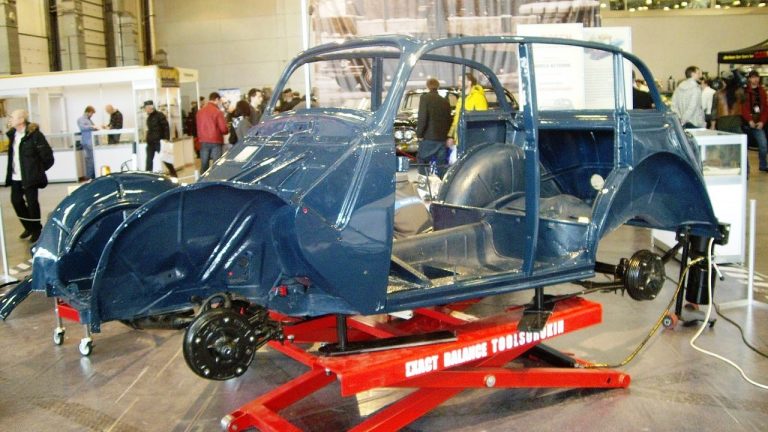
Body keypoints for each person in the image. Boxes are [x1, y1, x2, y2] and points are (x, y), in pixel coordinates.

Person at [5, 109, 54, 243]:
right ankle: (29, 227)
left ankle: (36, 230)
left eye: (13, 117)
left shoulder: (35, 135)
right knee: (16, 201)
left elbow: (48, 156)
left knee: (32, 203)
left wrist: (37, 170)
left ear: (21, 120)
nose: (10, 119)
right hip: (16, 176)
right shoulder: (12, 135)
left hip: (30, 176)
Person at [415, 77, 452, 177]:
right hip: (442, 139)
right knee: (441, 165)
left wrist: (419, 134)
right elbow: (449, 119)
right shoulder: (445, 101)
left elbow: (423, 117)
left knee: (422, 159)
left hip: (429, 137)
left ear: (427, 86)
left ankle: (424, 181)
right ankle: (441, 182)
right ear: (438, 86)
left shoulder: (424, 98)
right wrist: (447, 136)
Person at [447, 73, 488, 143]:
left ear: (469, 82)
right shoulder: (461, 98)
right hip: (460, 139)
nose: (458, 83)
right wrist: (451, 136)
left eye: (461, 81)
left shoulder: (478, 97)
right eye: (459, 81)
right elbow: (456, 119)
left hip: (471, 139)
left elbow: (482, 120)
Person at [143, 100, 178, 177]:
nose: (145, 110)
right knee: (149, 160)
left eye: (146, 108)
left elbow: (166, 127)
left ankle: (173, 173)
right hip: (150, 143)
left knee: (165, 158)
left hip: (159, 142)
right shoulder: (149, 117)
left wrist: (166, 139)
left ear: (150, 107)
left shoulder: (159, 115)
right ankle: (148, 176)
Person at [742, 70, 768, 172]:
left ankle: (763, 165)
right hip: (745, 123)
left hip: (758, 123)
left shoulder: (762, 91)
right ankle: (745, 168)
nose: (755, 79)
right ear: (749, 79)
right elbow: (742, 107)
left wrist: (762, 122)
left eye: (757, 77)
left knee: (763, 145)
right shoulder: (744, 91)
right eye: (753, 77)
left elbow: (765, 108)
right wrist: (749, 120)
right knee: (744, 146)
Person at [195, 92, 228, 172]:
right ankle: (214, 178)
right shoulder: (218, 112)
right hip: (216, 141)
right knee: (216, 165)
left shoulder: (200, 112)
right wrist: (227, 130)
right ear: (217, 99)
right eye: (220, 101)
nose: (220, 103)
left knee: (204, 164)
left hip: (203, 141)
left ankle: (203, 178)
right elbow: (224, 129)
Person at [77, 105, 98, 179]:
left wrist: (96, 128)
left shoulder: (89, 120)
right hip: (87, 142)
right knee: (90, 160)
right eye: (92, 113)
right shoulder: (81, 119)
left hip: (91, 142)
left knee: (92, 159)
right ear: (88, 112)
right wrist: (92, 127)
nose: (92, 115)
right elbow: (82, 128)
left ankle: (93, 176)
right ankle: (89, 177)